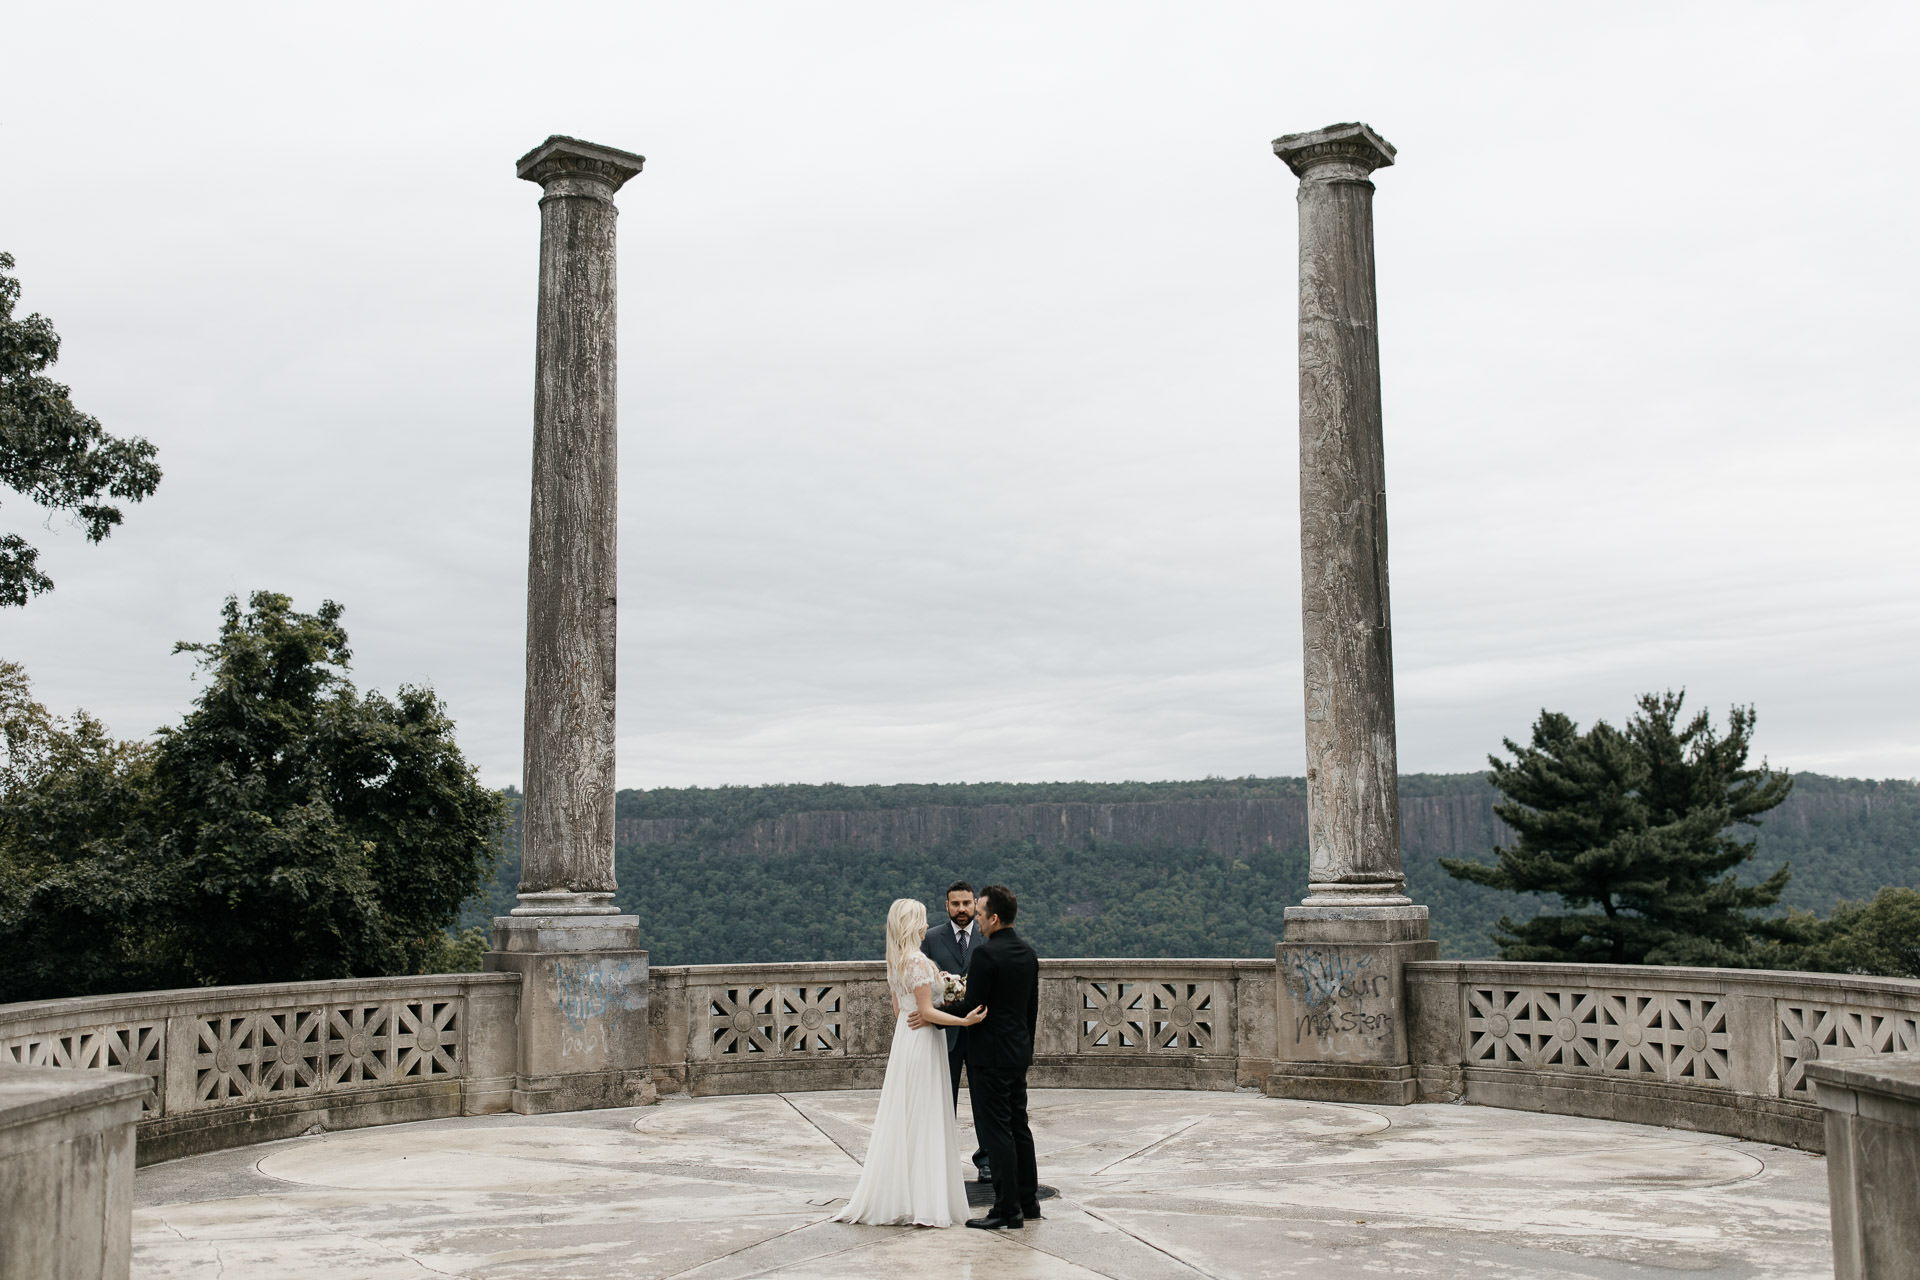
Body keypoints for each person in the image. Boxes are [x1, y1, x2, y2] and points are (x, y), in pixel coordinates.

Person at [833, 898, 987, 1227]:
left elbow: (899, 1011)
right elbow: (928, 1013)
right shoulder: (916, 961)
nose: (924, 926)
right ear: (911, 924)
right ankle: (925, 1201)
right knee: (926, 1115)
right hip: (924, 1041)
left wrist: (938, 992)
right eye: (920, 920)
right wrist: (965, 1021)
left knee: (909, 1115)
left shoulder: (897, 962)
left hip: (906, 1039)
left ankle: (907, 1194)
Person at [911, 883, 1039, 1230]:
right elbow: (1031, 1010)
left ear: (994, 918)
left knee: (997, 1133)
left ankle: (1005, 1209)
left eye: (980, 913)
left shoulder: (985, 955)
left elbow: (974, 1006)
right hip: (1016, 1053)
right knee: (1019, 1127)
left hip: (989, 1054)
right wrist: (1024, 1047)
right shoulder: (1028, 954)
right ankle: (1029, 1203)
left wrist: (934, 1015)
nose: (977, 919)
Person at [919, 880, 992, 1184]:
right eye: (955, 904)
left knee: (985, 1100)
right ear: (946, 905)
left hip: (981, 1031)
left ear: (976, 904)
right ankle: (941, 1159)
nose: (961, 909)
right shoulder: (932, 939)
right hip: (943, 1032)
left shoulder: (989, 937)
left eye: (966, 903)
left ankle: (987, 1160)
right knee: (940, 1100)